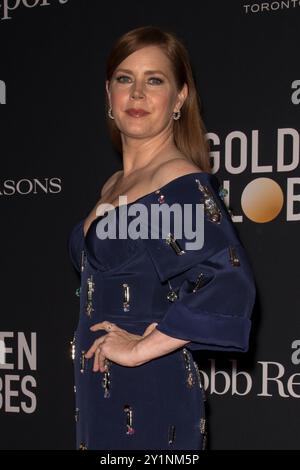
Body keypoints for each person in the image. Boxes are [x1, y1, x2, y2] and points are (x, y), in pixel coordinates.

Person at [68, 25, 256, 450]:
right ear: (109, 93)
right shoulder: (116, 183)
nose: (136, 94)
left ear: (180, 98)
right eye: (124, 79)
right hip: (101, 395)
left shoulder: (175, 181)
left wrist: (141, 349)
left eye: (154, 80)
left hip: (148, 393)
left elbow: (228, 280)